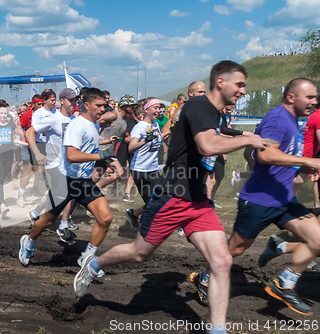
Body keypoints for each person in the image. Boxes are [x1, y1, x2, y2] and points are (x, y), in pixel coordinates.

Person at [73, 61, 266, 334]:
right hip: (172, 197)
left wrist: (243, 135)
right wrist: (249, 141)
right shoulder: (198, 107)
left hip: (198, 202)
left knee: (222, 261)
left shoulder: (214, 113)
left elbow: (217, 135)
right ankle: (93, 265)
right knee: (139, 253)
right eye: (240, 85)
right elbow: (208, 145)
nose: (243, 91)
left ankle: (218, 330)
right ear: (221, 82)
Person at [204, 78, 320, 316]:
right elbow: (265, 155)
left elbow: (282, 157)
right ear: (291, 97)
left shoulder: (293, 121)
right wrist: (306, 160)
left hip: (284, 199)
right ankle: (205, 278)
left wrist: (302, 168)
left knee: (318, 240)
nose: (314, 101)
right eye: (309, 97)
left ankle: (284, 284)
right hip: (259, 199)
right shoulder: (279, 119)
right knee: (234, 251)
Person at [19, 88, 116, 268]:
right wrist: (100, 157)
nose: (103, 109)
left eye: (104, 105)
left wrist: (105, 161)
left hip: (84, 182)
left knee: (105, 218)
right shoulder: (76, 125)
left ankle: (86, 257)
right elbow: (72, 155)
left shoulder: (94, 124)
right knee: (48, 220)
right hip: (65, 182)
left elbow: (111, 118)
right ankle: (28, 241)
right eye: (99, 105)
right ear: (86, 105)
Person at [24, 88, 79, 243]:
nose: (74, 103)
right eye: (71, 100)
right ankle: (63, 224)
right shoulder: (52, 118)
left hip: (68, 164)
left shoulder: (75, 121)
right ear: (62, 101)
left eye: (76, 100)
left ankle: (35, 213)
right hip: (54, 163)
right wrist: (37, 153)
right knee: (69, 192)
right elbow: (29, 132)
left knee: (57, 192)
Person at [125, 98, 168, 229]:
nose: (158, 110)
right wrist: (145, 141)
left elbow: (157, 141)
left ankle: (134, 213)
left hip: (153, 169)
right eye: (155, 107)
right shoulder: (140, 127)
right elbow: (131, 148)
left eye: (159, 108)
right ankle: (145, 231)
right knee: (153, 203)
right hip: (141, 171)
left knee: (162, 199)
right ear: (147, 109)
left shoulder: (155, 125)